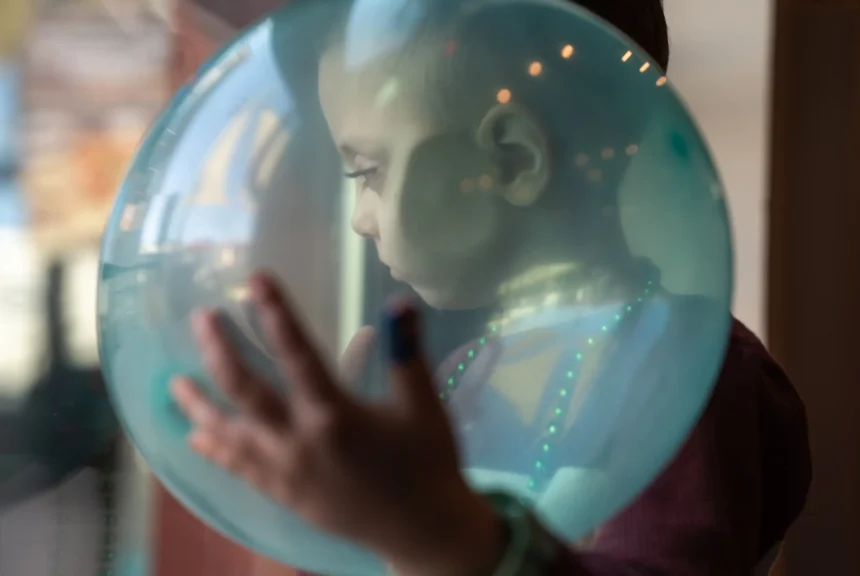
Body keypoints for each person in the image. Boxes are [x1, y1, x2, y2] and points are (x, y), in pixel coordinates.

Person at [171, 1, 812, 574]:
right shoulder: (459, 379)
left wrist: (445, 537)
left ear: (513, 160)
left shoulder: (683, 374)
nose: (361, 220)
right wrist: (320, 509)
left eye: (368, 172)